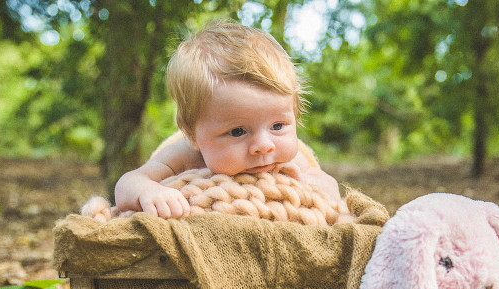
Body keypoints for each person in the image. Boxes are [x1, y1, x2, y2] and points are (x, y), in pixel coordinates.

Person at [114, 20, 341, 218]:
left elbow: (329, 188)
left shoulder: (289, 160)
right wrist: (149, 192)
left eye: (278, 126)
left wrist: (310, 186)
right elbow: (128, 184)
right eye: (238, 131)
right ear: (193, 134)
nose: (264, 145)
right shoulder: (184, 156)